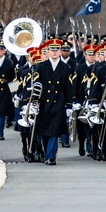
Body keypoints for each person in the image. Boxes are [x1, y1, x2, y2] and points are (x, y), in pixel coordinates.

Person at [33, 38, 75, 166]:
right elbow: (36, 85)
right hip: (44, 100)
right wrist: (34, 102)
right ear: (49, 51)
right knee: (45, 130)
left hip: (59, 100)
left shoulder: (65, 67)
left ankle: (51, 157)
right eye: (53, 50)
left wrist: (68, 105)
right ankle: (47, 154)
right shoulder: (41, 66)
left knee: (54, 130)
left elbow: (68, 87)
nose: (55, 52)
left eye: (57, 50)